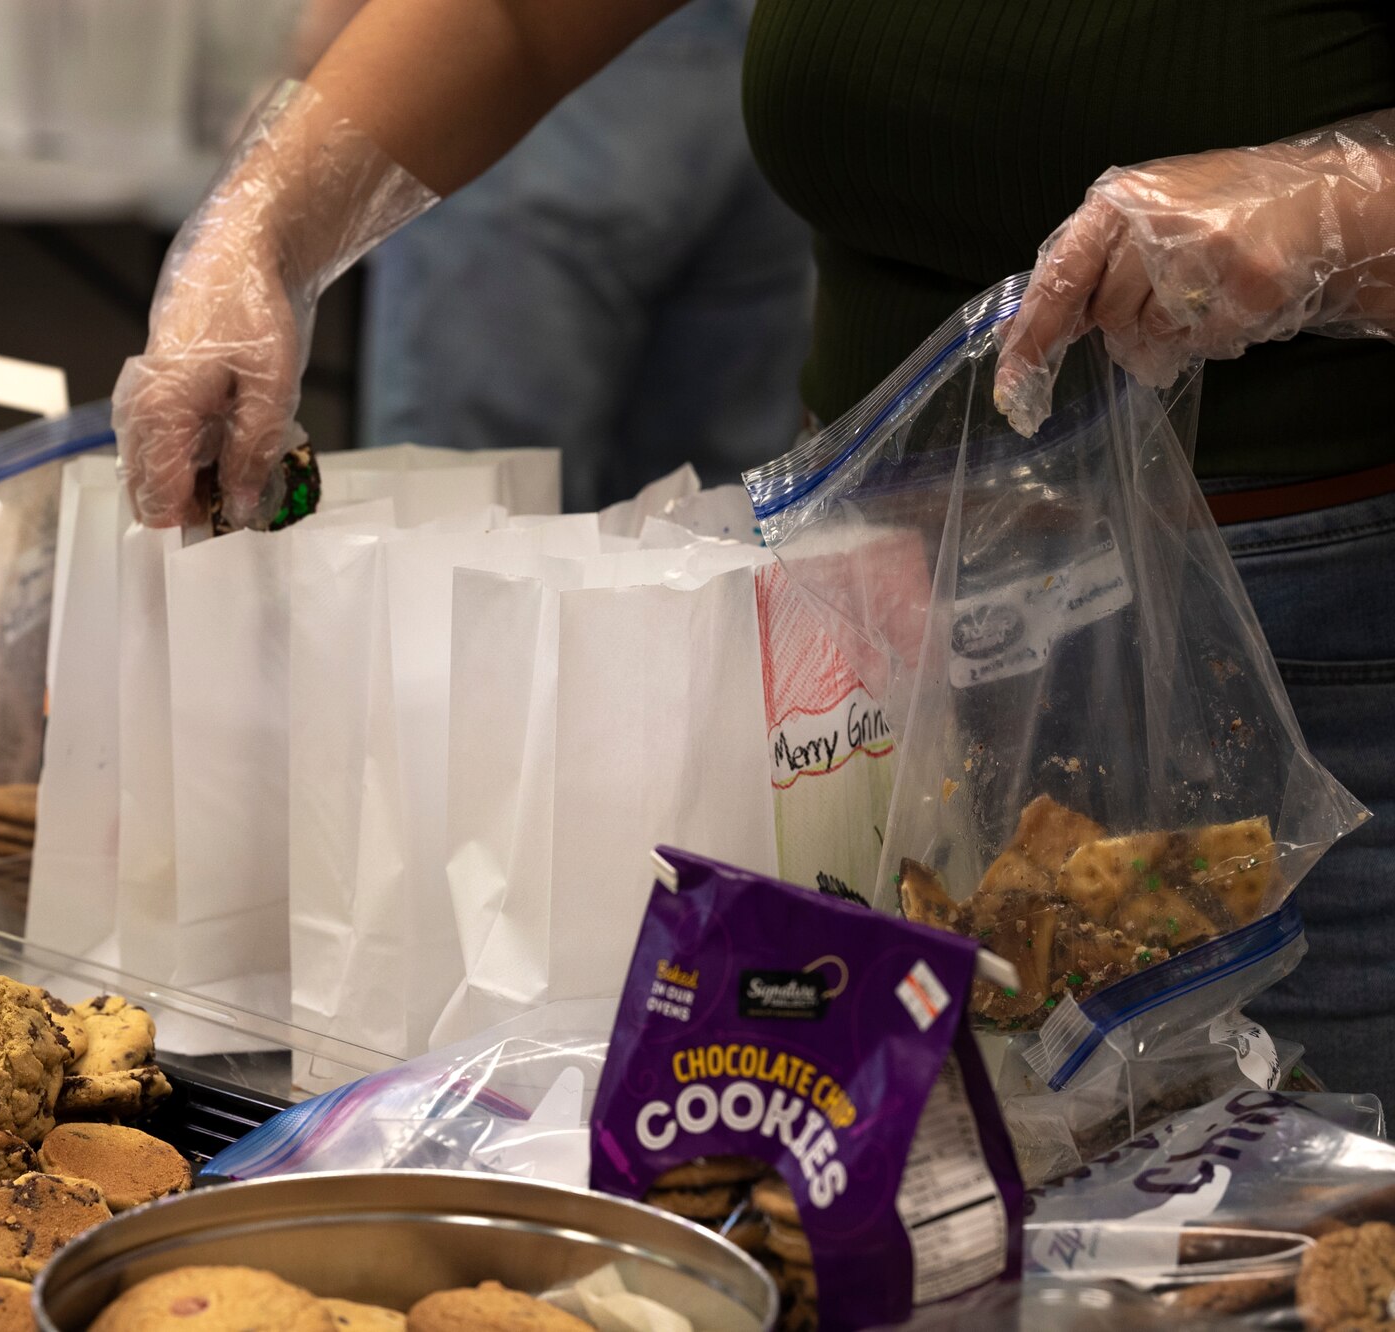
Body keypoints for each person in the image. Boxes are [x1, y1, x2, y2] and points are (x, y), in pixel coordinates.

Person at [113, 0, 1395, 1102]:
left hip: (1288, 652)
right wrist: (260, 227)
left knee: (1282, 1235)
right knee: (876, 1218)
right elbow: (510, 19)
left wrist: (1335, 209)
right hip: (860, 639)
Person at [303, 0, 810, 509]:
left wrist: (307, 112)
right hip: (766, 62)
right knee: (712, 522)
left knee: (469, 512)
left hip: (521, 70)